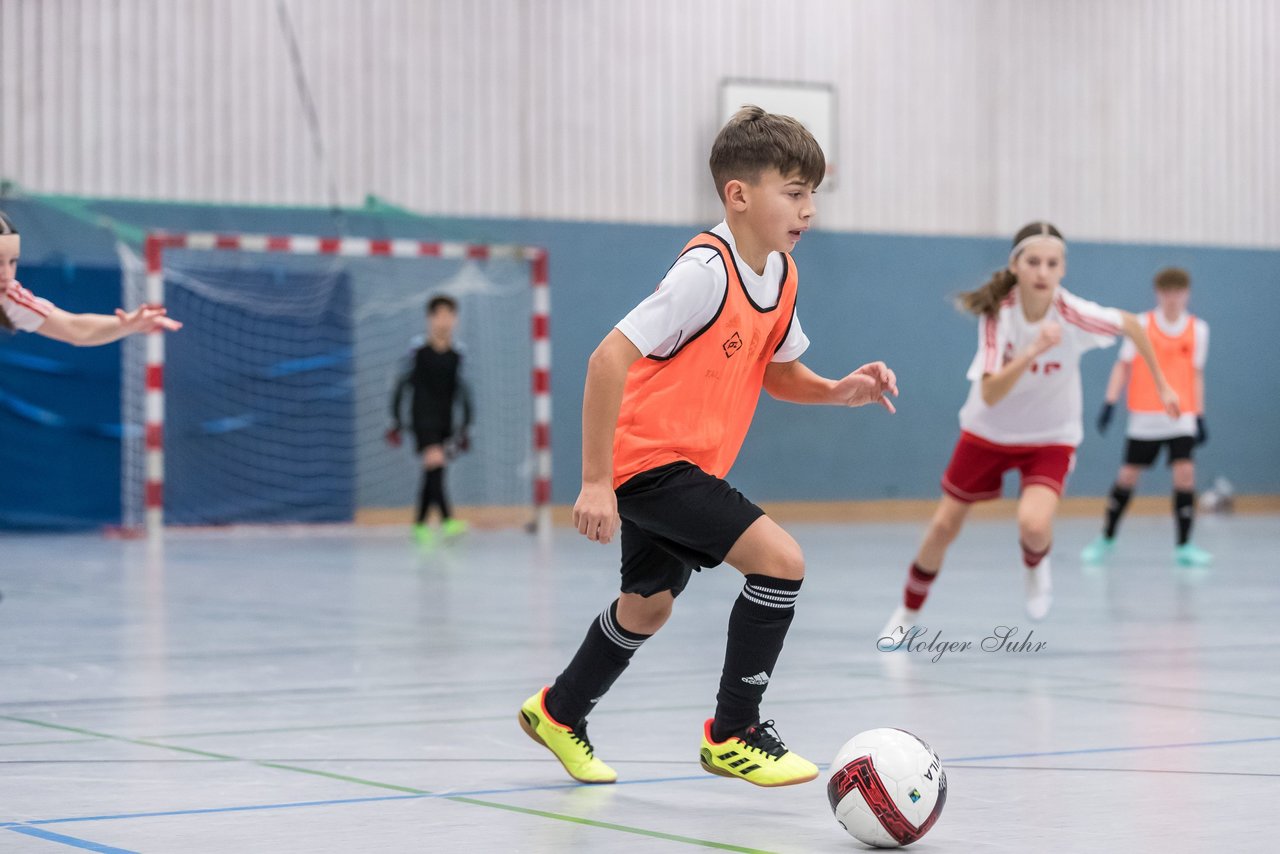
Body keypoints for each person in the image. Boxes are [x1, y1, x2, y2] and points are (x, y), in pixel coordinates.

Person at [518, 106, 899, 788]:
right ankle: (733, 732)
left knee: (648, 605)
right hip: (649, 463)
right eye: (795, 191)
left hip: (684, 465)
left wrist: (840, 390)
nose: (809, 208)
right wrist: (596, 481)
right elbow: (608, 359)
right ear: (739, 195)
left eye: (813, 193)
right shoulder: (705, 270)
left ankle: (559, 709)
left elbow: (777, 371)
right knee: (781, 562)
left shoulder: (781, 274)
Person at [880, 222, 1179, 643]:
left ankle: (1036, 567)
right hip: (988, 431)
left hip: (1050, 436)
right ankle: (905, 616)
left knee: (1034, 524)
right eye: (1033, 261)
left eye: (1052, 263)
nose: (1042, 270)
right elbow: (991, 391)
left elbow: (1132, 324)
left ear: (1062, 270)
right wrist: (1033, 350)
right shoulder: (998, 314)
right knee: (944, 526)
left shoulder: (1072, 313)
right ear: (1016, 266)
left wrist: (1163, 383)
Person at [1082, 268, 1211, 567]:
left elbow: (1197, 374)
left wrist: (1200, 415)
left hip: (1181, 416)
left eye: (1178, 291)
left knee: (1185, 474)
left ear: (1187, 294)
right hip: (1144, 416)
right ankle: (1107, 536)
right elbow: (1123, 366)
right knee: (1127, 476)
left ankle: (1184, 545)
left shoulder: (1198, 330)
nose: (1173, 298)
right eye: (1167, 291)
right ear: (1158, 293)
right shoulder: (1141, 325)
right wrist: (1109, 402)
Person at [1, 211, 181, 342]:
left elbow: (75, 328)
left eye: (13, 261)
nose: (7, 274)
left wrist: (126, 325)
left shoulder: (9, 296)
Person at [388, 294, 472, 546]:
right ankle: (447, 520)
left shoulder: (457, 355)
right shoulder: (418, 353)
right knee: (435, 464)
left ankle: (420, 524)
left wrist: (466, 425)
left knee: (434, 470)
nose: (445, 320)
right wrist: (396, 421)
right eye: (440, 314)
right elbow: (401, 388)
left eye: (450, 315)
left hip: (445, 421)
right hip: (422, 420)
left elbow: (462, 392)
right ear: (430, 318)